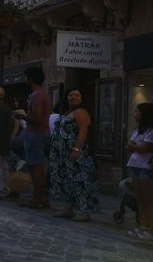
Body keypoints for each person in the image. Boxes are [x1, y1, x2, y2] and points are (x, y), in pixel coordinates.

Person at [49, 88, 99, 221]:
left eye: (77, 95)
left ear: (82, 98)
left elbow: (83, 130)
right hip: (62, 153)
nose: (73, 97)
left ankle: (83, 211)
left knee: (80, 181)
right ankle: (68, 208)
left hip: (75, 152)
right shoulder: (67, 112)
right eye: (71, 95)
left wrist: (77, 149)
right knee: (67, 180)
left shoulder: (81, 112)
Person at [17, 66, 52, 209]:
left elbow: (36, 118)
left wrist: (21, 116)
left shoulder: (37, 95)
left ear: (30, 78)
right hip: (42, 132)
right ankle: (41, 197)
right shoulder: (44, 94)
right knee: (38, 166)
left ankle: (37, 198)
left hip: (35, 133)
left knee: (35, 167)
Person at [126, 102, 153, 241]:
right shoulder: (137, 130)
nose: (135, 114)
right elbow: (130, 146)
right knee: (140, 199)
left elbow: (144, 148)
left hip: (147, 167)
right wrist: (136, 147)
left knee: (150, 200)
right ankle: (143, 227)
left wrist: (136, 146)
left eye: (137, 112)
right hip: (135, 166)